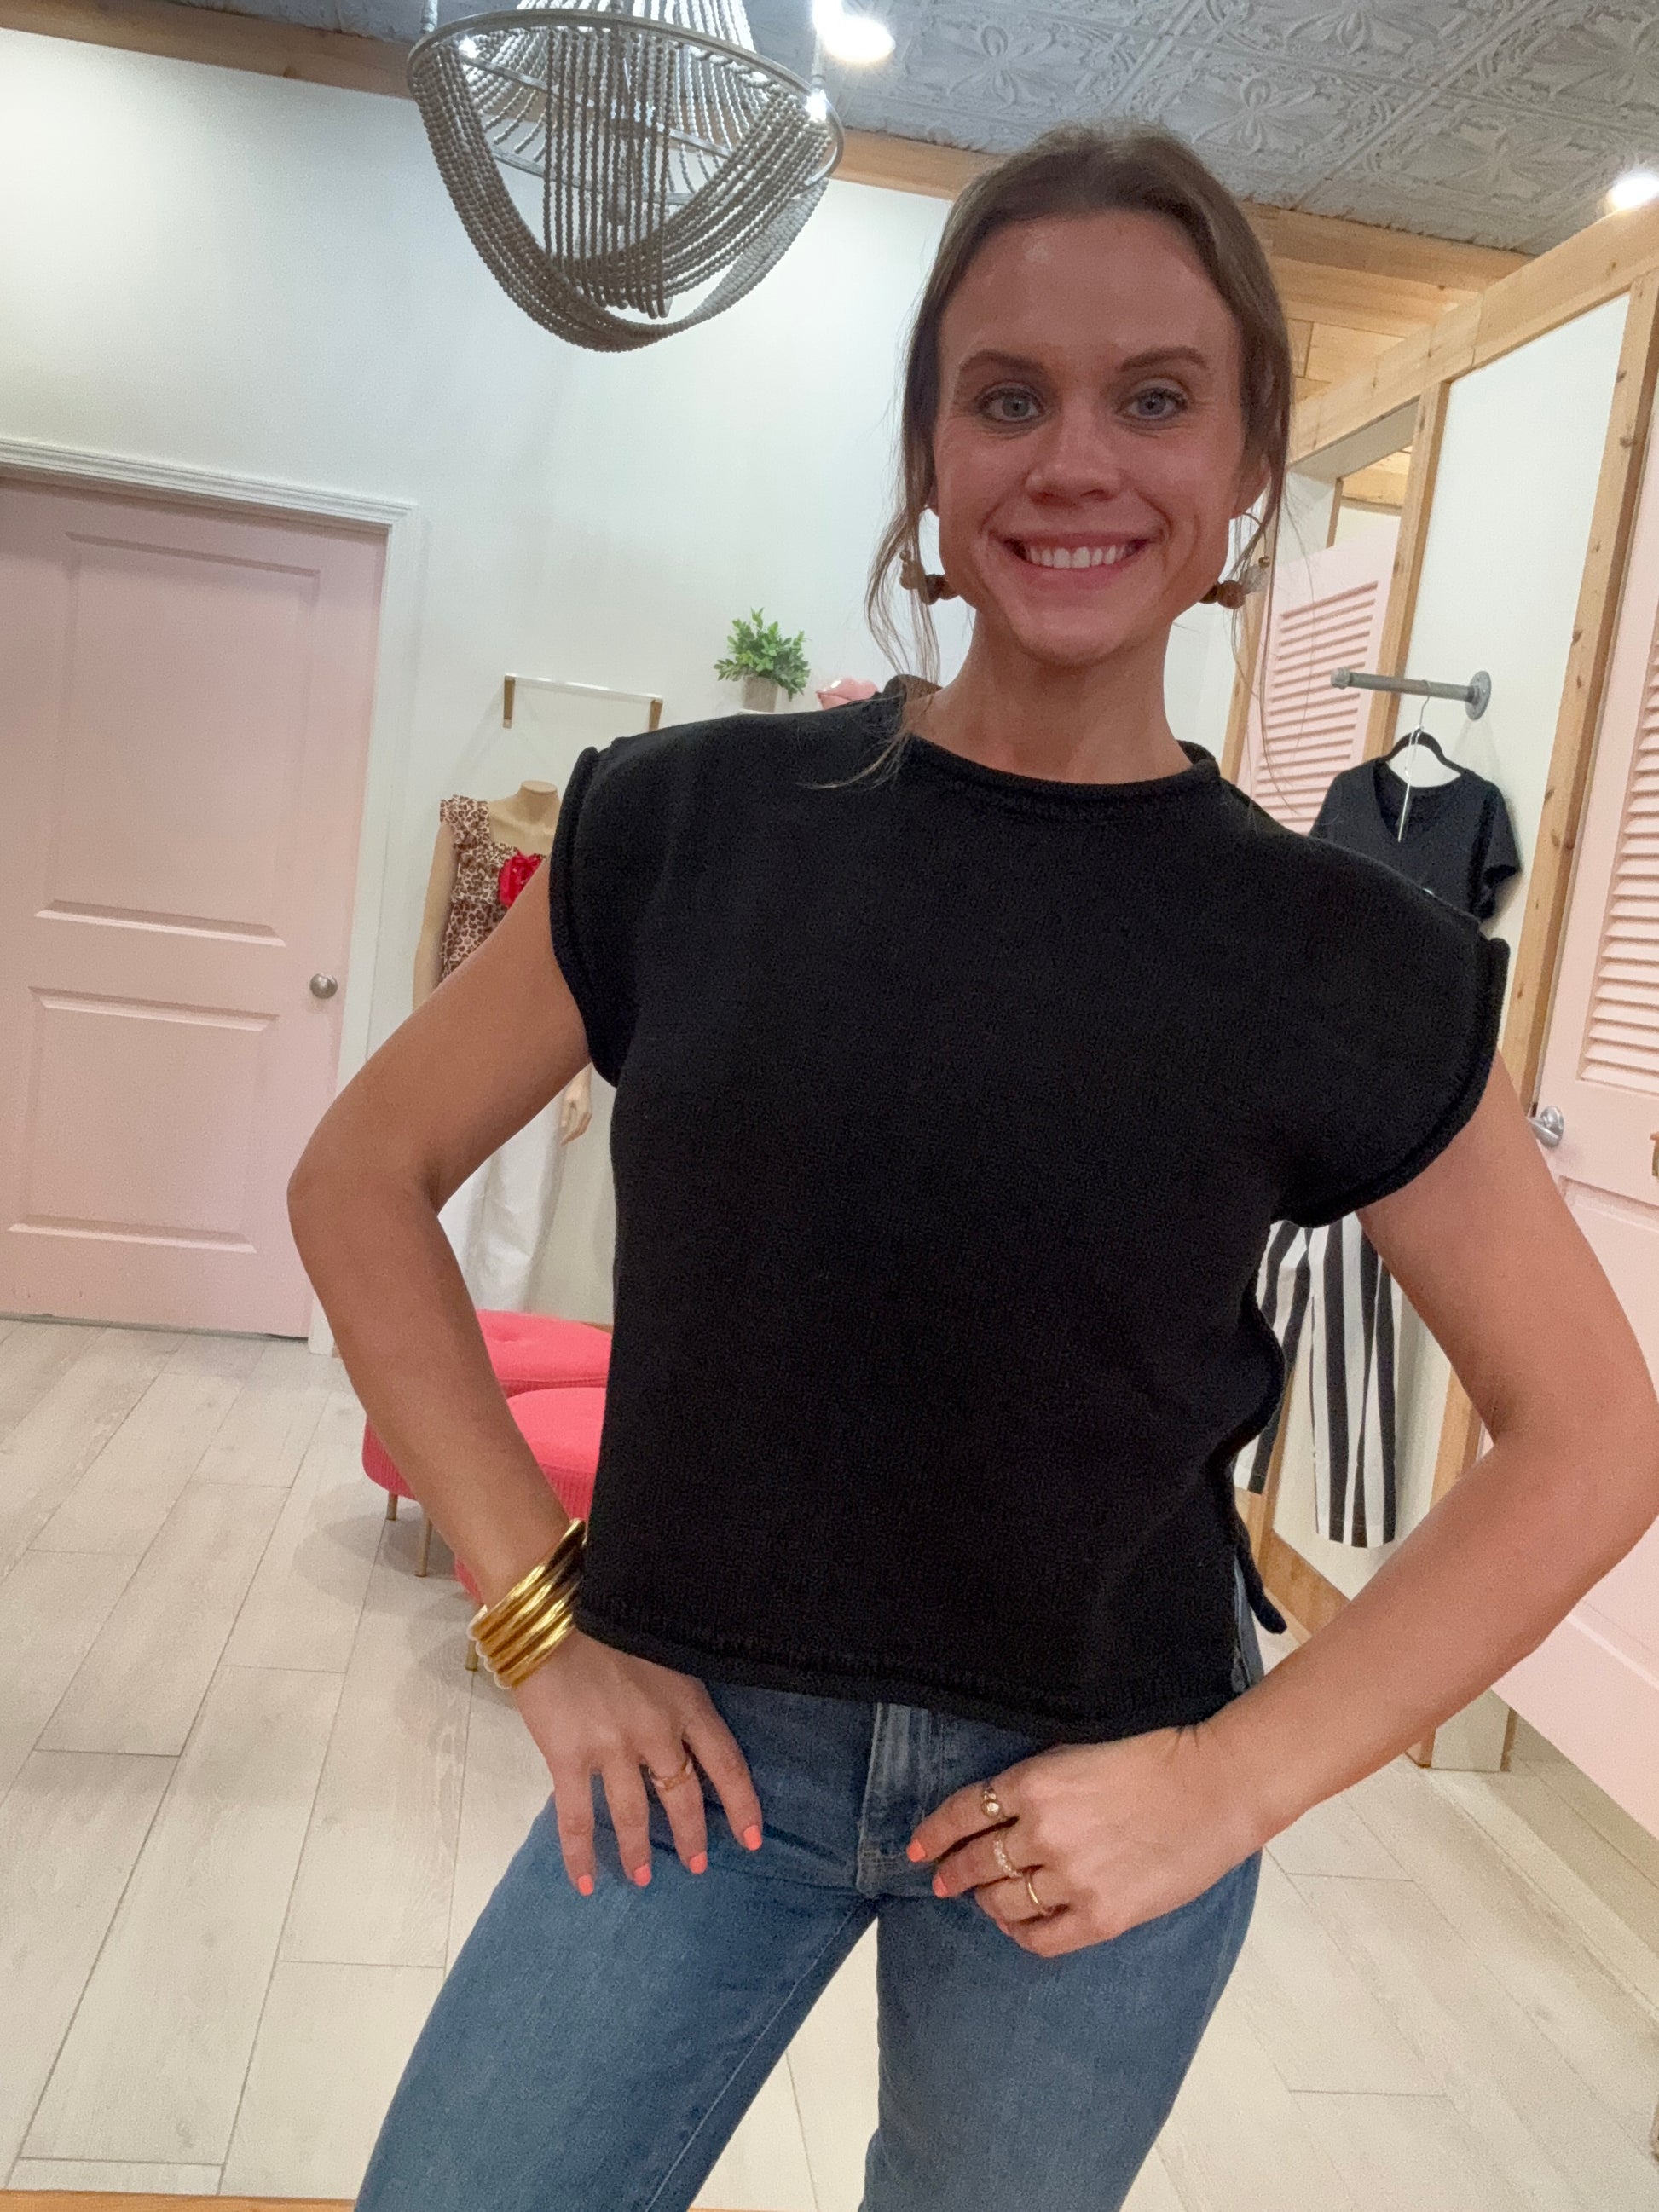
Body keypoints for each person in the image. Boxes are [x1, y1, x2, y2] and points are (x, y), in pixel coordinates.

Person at [288, 124, 1659, 2212]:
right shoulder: (687, 825)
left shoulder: (1342, 951)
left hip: (1095, 1792)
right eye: (1006, 397)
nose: (1072, 461)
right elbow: (362, 1173)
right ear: (929, 463)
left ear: (1246, 466)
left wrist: (1231, 1782)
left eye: (1154, 399)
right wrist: (537, 1618)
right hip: (695, 1743)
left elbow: (1591, 1433)